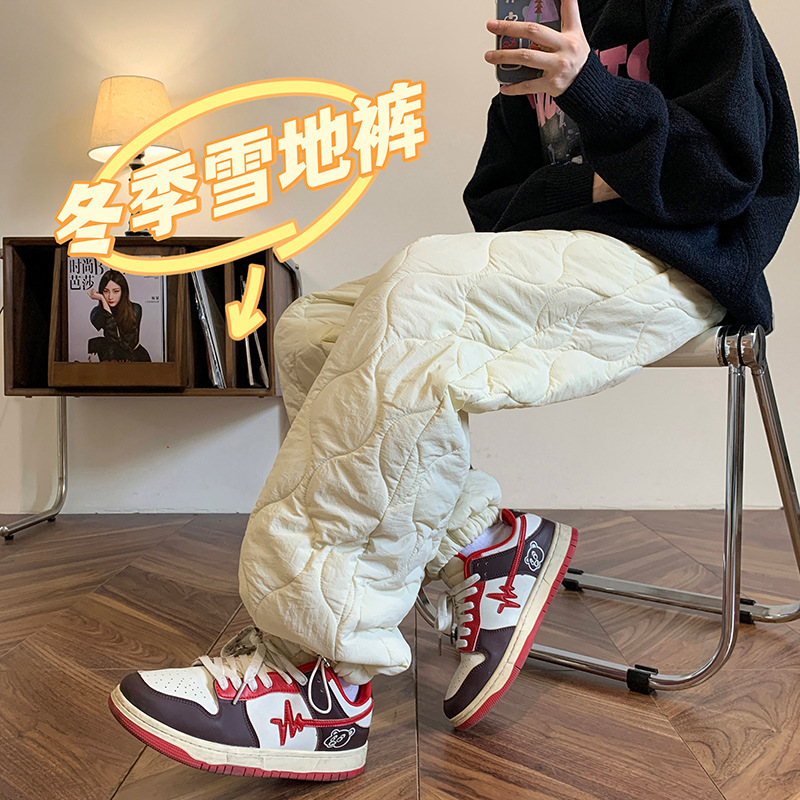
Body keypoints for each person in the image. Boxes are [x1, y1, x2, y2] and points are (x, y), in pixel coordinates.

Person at [107, 0, 799, 782]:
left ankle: (315, 678)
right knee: (308, 331)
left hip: (679, 266)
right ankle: (485, 543)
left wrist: (589, 90)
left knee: (419, 291)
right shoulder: (536, 22)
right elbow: (495, 204)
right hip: (566, 253)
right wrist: (604, 183)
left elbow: (724, 179)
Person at [87, 269, 151, 362]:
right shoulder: (97, 312)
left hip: (135, 357)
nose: (110, 297)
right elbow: (113, 339)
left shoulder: (135, 309)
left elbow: (126, 345)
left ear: (123, 292)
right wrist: (103, 302)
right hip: (112, 358)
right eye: (106, 291)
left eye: (116, 291)